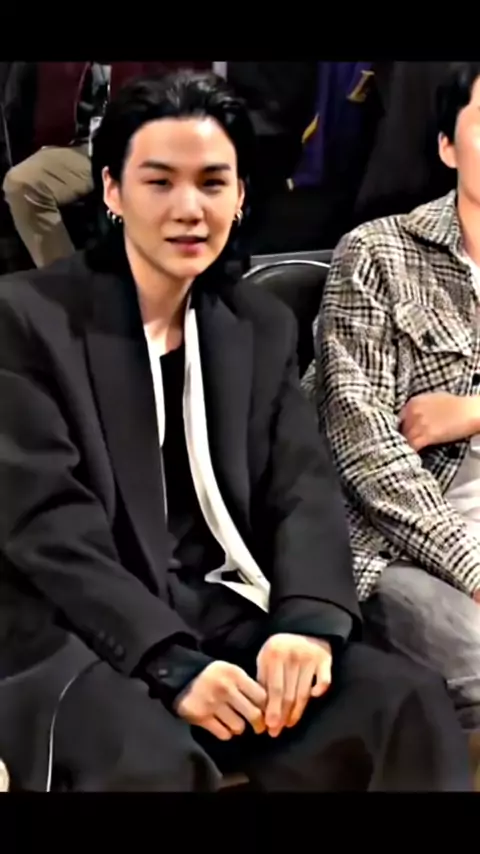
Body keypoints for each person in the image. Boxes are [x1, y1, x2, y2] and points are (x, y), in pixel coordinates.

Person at [0, 70, 471, 793]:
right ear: (112, 191)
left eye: (213, 183)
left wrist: (307, 622)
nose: (189, 208)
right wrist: (170, 663)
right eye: (160, 182)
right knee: (152, 766)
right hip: (73, 622)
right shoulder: (27, 317)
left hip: (217, 610)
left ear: (242, 195)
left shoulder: (254, 324)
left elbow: (303, 487)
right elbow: (47, 526)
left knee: (401, 704)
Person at [310, 63, 480, 748]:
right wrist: (472, 568)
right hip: (407, 541)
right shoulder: (380, 252)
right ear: (448, 146)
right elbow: (364, 448)